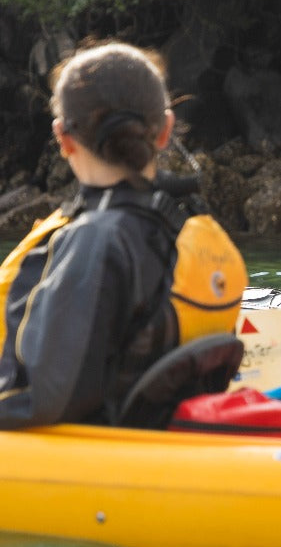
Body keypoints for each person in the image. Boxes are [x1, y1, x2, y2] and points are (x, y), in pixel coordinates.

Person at [0, 40, 248, 429]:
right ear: (165, 130)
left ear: (62, 138)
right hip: (157, 437)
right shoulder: (184, 228)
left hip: (96, 454)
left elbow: (50, 402)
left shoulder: (94, 240)